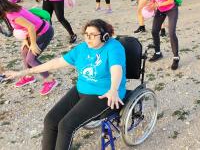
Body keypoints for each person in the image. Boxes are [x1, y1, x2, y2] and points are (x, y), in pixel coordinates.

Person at [4, 19, 126, 150]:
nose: (88, 38)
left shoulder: (113, 47)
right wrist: (24, 72)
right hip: (82, 89)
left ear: (104, 36)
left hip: (104, 94)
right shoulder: (82, 48)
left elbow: (116, 69)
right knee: (50, 120)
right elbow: (56, 63)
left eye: (93, 35)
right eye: (86, 34)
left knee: (66, 125)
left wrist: (113, 89)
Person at [0, 0, 57, 95]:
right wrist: (26, 40)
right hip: (35, 32)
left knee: (31, 59)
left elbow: (30, 26)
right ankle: (28, 76)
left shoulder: (11, 15)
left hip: (44, 32)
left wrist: (33, 44)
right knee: (24, 52)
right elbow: (29, 23)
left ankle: (50, 80)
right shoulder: (12, 6)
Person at [146, 0, 180, 70]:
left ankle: (176, 57)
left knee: (171, 32)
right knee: (154, 31)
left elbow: (170, 1)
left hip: (171, 9)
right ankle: (158, 53)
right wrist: (151, 5)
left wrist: (157, 5)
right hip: (160, 10)